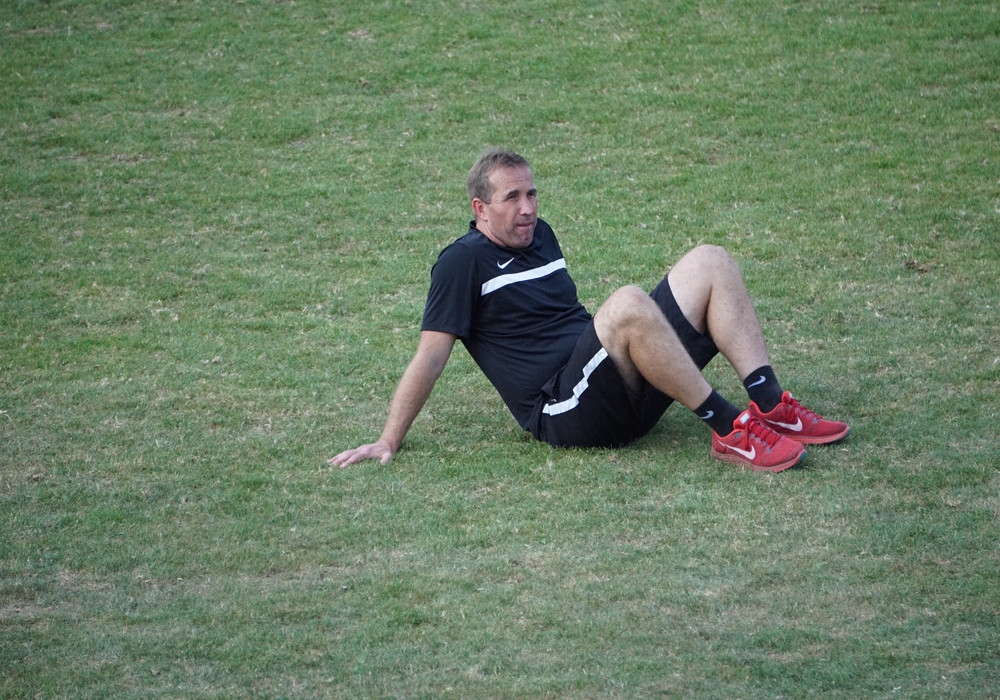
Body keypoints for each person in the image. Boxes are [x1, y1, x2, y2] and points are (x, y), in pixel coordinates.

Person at [330, 150, 848, 473]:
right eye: (512, 198)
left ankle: (769, 404)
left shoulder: (541, 234)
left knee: (711, 260)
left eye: (532, 193)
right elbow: (430, 356)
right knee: (626, 304)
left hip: (612, 388)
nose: (528, 208)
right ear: (480, 209)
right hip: (565, 411)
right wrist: (389, 438)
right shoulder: (461, 263)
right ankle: (731, 430)